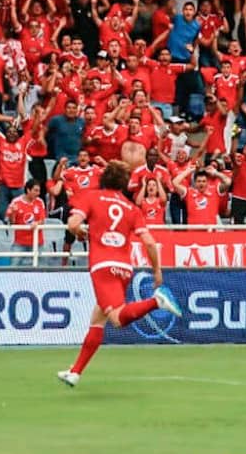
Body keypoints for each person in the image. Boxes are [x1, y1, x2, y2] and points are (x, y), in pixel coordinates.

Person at [57, 160, 182, 388]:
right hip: (124, 268)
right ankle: (75, 372)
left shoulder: (91, 197)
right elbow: (150, 243)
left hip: (102, 266)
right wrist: (156, 270)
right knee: (98, 320)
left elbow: (72, 223)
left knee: (116, 318)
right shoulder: (132, 208)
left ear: (104, 178)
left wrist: (80, 232)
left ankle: (157, 302)